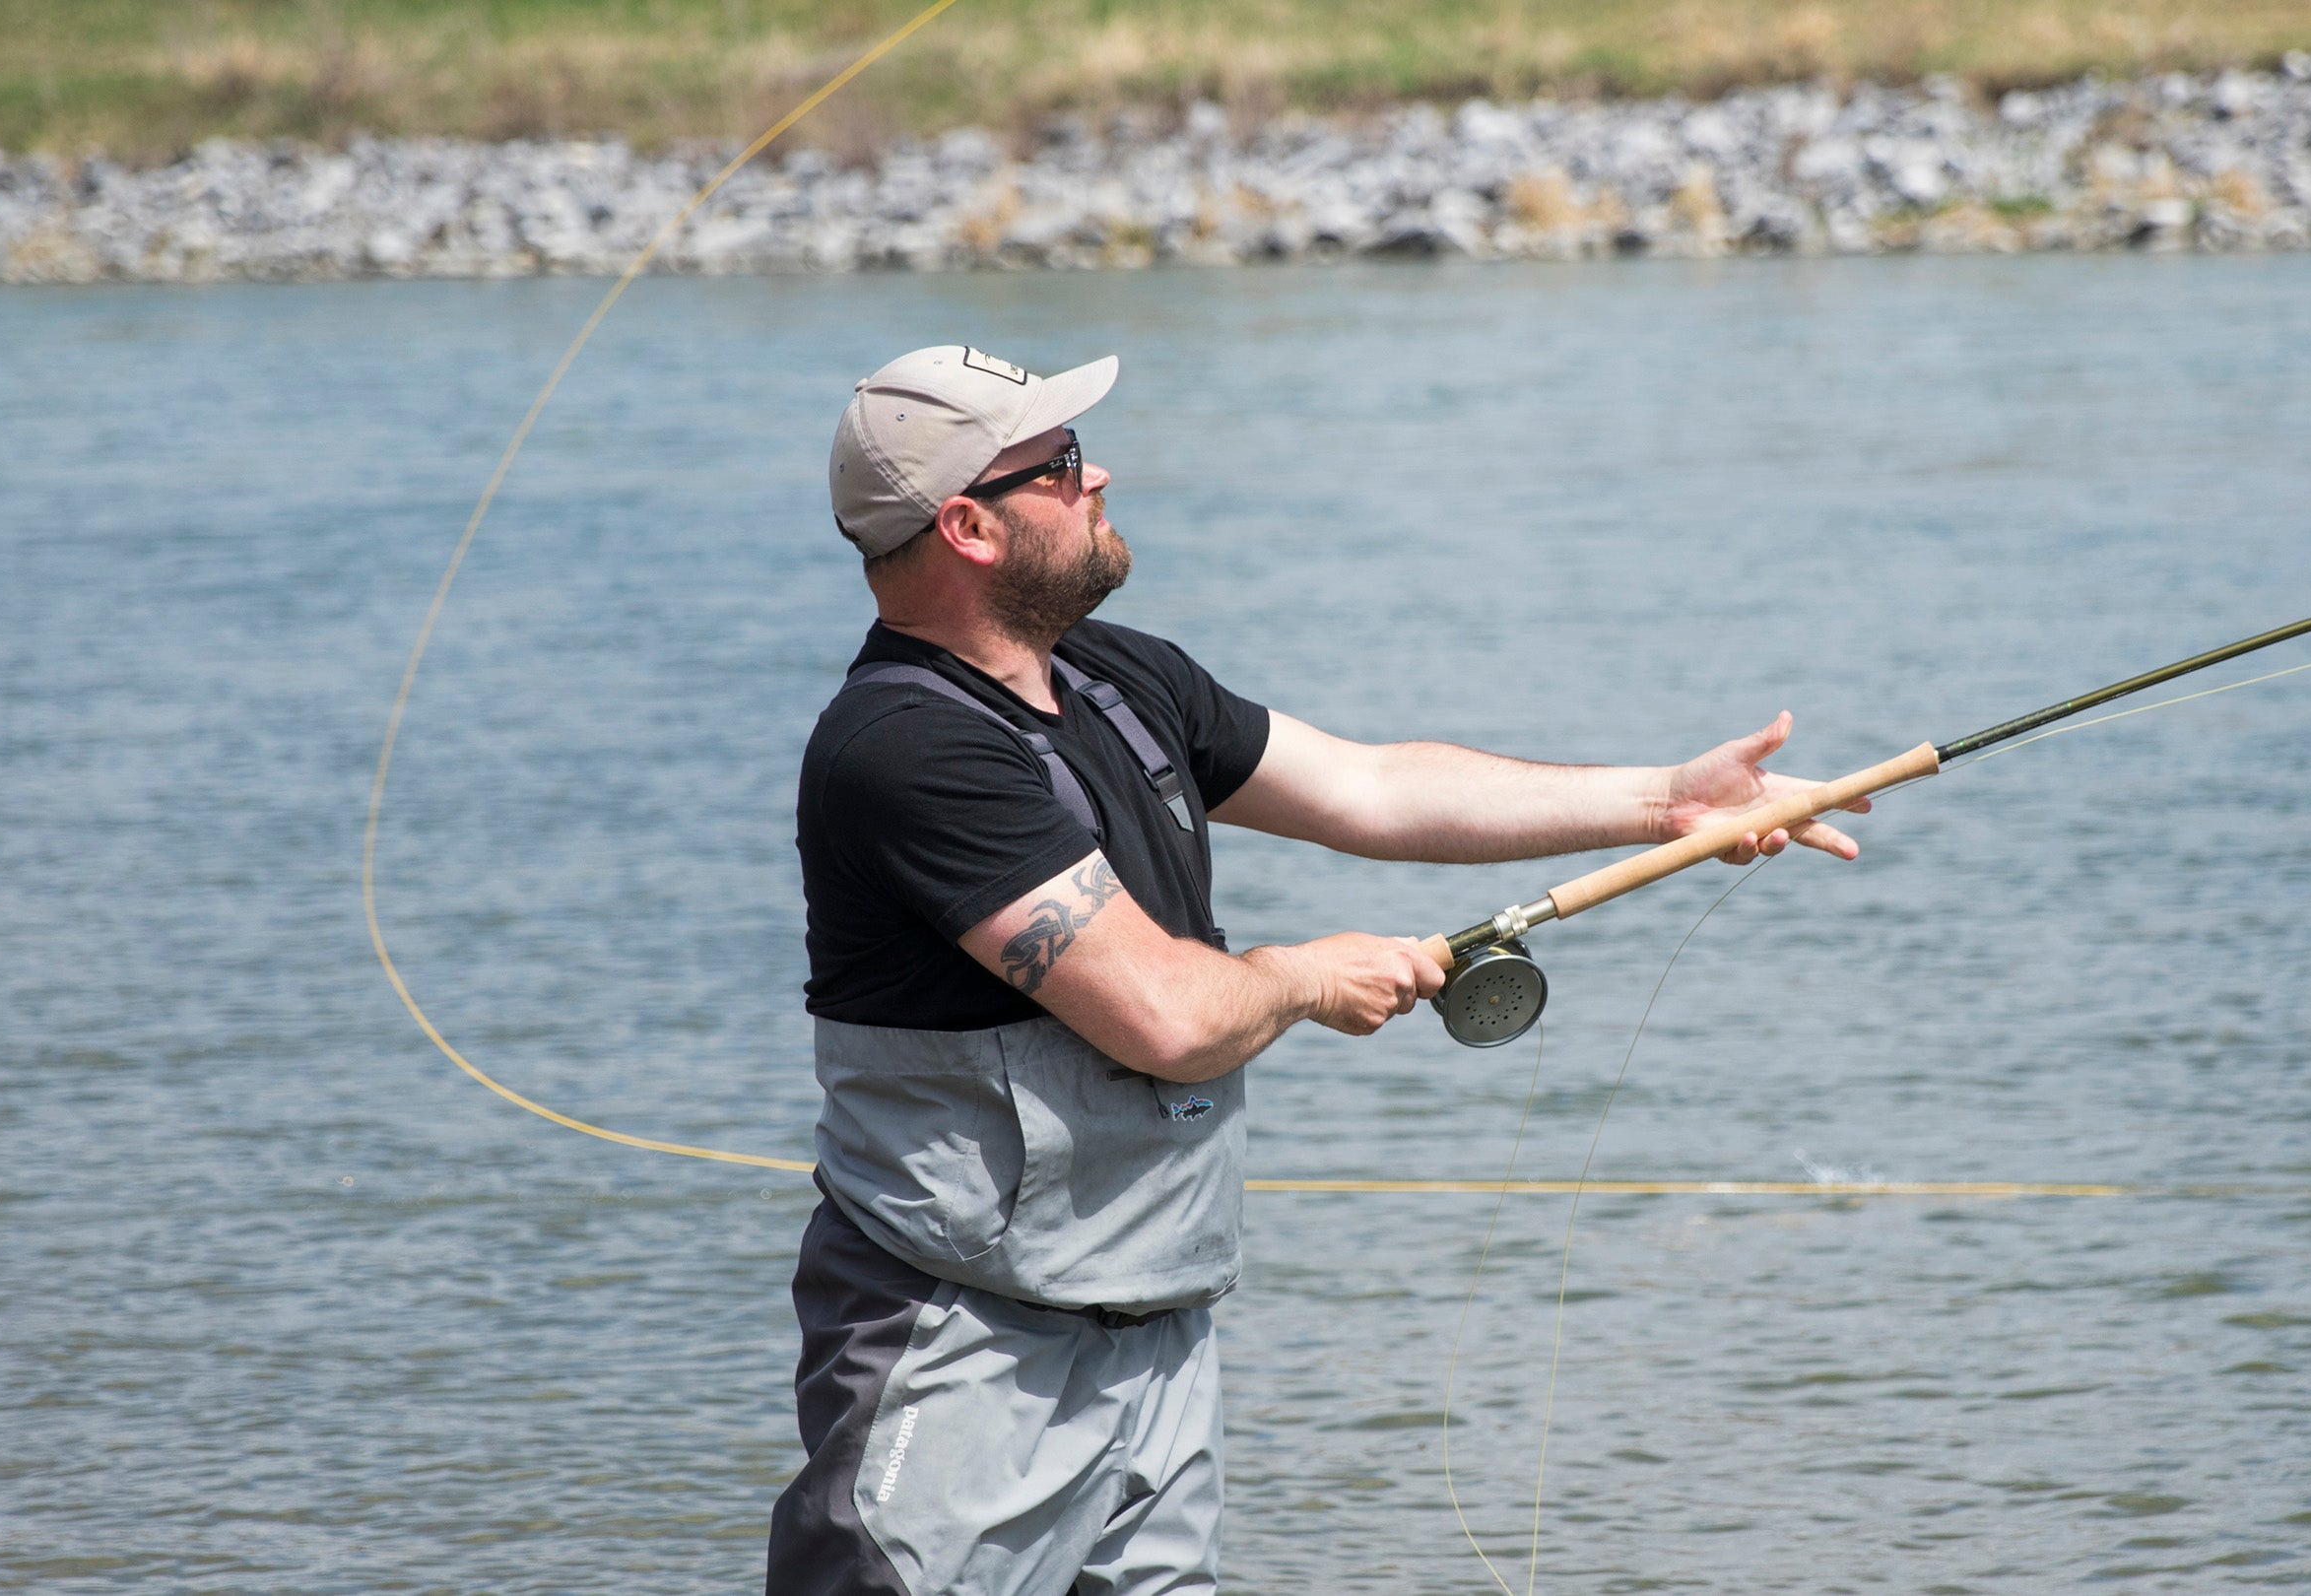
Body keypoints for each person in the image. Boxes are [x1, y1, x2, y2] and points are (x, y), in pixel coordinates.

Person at [770, 345, 1866, 1596]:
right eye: (1062, 465)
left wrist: (1664, 800)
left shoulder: (1122, 679)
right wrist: (1303, 976)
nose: (1100, 475)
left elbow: (1375, 786)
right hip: (960, 1350)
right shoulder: (905, 750)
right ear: (968, 524)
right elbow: (1167, 1017)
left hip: (1159, 1336)